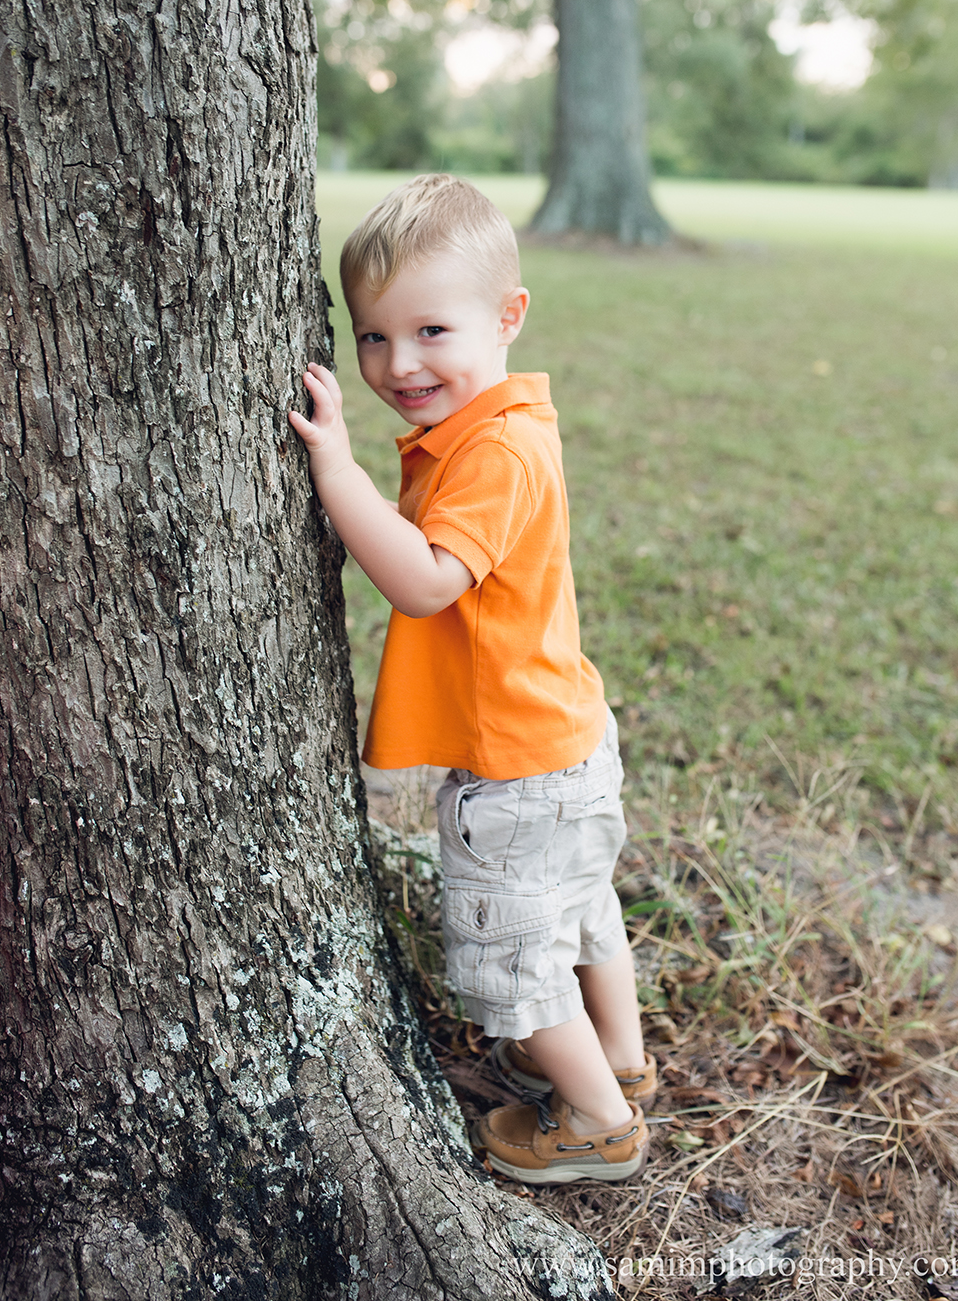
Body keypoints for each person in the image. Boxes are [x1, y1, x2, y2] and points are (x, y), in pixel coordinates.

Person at [289, 174, 656, 1185]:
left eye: (430, 332)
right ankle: (617, 1056)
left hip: (522, 771)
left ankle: (597, 1121)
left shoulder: (493, 453)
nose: (397, 363)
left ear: (508, 318)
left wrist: (339, 476)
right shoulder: (504, 425)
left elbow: (423, 581)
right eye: (371, 336)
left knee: (514, 957)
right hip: (566, 739)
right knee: (582, 914)